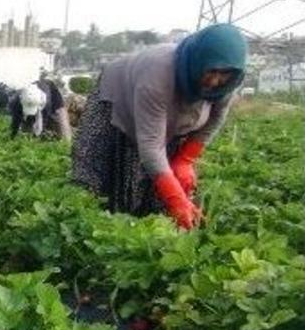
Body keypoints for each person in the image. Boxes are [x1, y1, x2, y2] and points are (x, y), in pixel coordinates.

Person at [72, 23, 247, 229]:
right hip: (116, 98)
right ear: (199, 60)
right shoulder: (158, 75)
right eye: (212, 70)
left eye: (224, 74)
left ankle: (148, 228)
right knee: (99, 176)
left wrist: (185, 159)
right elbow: (151, 146)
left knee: (160, 187)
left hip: (167, 125)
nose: (215, 81)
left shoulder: (227, 86)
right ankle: (96, 229)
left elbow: (214, 120)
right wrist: (175, 198)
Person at [35, 71, 73, 140]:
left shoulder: (48, 87)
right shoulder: (31, 88)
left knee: (62, 126)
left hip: (56, 107)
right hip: (42, 105)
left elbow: (56, 112)